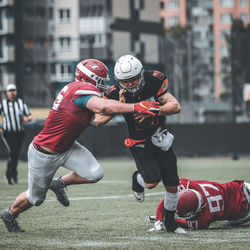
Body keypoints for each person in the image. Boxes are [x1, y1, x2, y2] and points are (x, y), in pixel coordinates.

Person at [0, 59, 160, 232]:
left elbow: (98, 120)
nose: (104, 84)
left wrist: (120, 106)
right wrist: (136, 107)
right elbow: (103, 108)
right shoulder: (80, 90)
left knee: (95, 173)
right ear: (90, 78)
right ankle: (9, 214)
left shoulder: (79, 92)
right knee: (35, 199)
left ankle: (59, 183)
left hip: (67, 146)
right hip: (44, 152)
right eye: (101, 80)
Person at [94, 55, 185, 234]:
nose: (130, 84)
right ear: (119, 81)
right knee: (151, 182)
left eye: (134, 79)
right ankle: (137, 179)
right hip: (138, 142)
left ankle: (170, 222)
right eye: (125, 81)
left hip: (160, 137)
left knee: (172, 183)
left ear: (141, 74)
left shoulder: (154, 80)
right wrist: (116, 107)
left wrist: (152, 110)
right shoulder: (113, 92)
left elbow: (175, 106)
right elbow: (98, 120)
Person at [148, 178, 250, 231]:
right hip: (241, 187)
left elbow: (183, 222)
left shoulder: (202, 220)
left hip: (243, 214)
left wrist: (162, 218)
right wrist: (162, 217)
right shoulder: (190, 185)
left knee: (229, 222)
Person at [0, 83, 32, 185]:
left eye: (13, 90)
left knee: (16, 154)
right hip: (8, 132)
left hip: (19, 132)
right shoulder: (3, 104)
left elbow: (29, 115)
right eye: (10, 91)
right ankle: (9, 175)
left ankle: (13, 174)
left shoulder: (21, 103)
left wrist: (26, 118)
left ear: (16, 92)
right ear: (7, 93)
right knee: (13, 152)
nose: (12, 92)